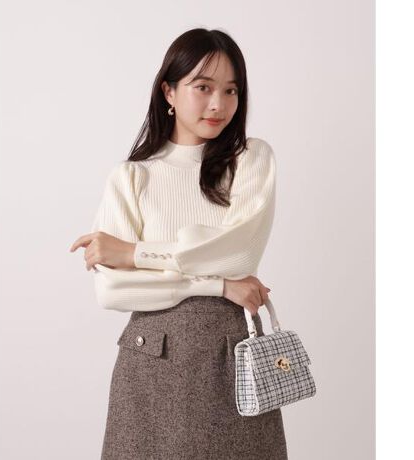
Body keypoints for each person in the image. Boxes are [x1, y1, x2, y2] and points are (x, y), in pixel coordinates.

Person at [70, 27, 288, 460]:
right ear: (169, 91)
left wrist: (135, 254)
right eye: (202, 87)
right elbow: (114, 290)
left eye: (231, 90)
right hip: (150, 361)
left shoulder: (250, 159)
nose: (218, 104)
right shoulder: (132, 177)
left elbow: (239, 252)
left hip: (230, 357)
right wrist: (219, 285)